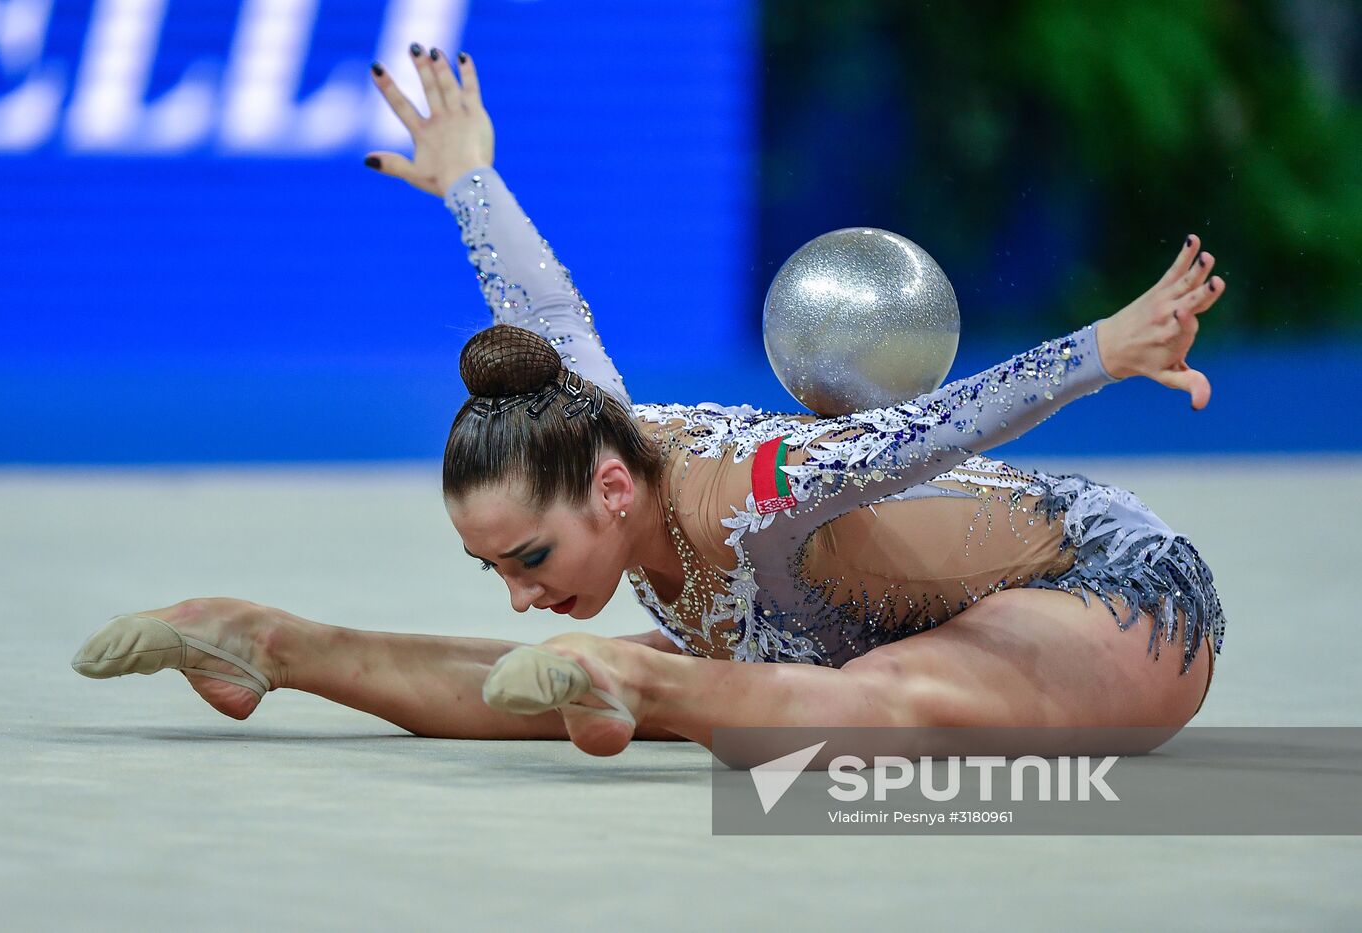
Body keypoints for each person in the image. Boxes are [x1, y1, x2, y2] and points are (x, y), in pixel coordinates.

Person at [72, 45, 1226, 763]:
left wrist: (1100, 349)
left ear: (611, 489)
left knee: (869, 709)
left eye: (526, 558)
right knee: (626, 688)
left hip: (1095, 593)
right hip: (837, 645)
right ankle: (267, 642)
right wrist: (467, 174)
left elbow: (922, 432)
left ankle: (651, 686)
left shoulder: (748, 499)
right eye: (501, 574)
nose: (523, 595)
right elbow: (546, 312)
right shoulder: (591, 433)